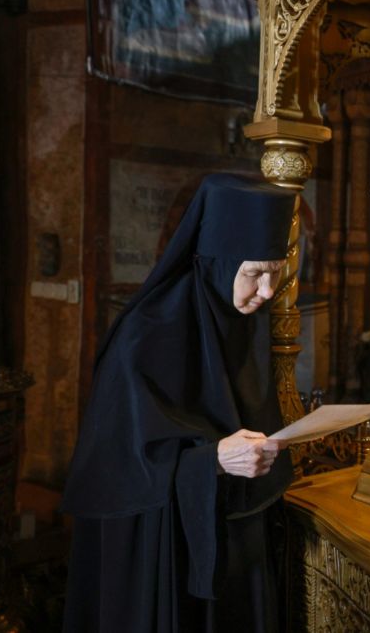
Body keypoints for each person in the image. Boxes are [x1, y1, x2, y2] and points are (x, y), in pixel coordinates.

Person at [62, 173, 298, 633]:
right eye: (254, 273)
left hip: (231, 530)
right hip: (162, 550)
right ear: (217, 262)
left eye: (276, 271)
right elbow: (117, 464)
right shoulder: (144, 335)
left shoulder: (241, 320)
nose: (268, 291)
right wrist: (212, 459)